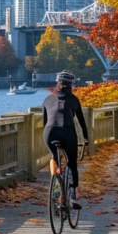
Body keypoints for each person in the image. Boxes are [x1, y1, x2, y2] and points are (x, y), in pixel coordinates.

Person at [43, 70, 89, 209]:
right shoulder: (74, 100)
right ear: (71, 85)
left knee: (54, 157)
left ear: (57, 83)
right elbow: (81, 122)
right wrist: (86, 139)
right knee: (72, 163)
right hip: (67, 131)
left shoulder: (47, 99)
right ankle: (74, 194)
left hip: (49, 132)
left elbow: (45, 121)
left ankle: (55, 185)